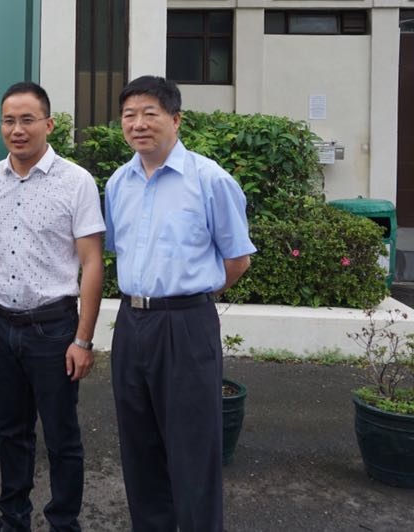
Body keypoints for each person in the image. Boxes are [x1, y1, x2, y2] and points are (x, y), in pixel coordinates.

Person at [104, 75, 256, 532]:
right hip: (131, 322)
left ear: (176, 119)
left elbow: (238, 260)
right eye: (129, 115)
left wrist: (192, 298)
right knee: (138, 446)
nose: (138, 124)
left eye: (150, 113)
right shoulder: (119, 183)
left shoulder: (210, 180)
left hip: (186, 324)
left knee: (193, 449)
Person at [0, 82, 105, 532]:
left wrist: (83, 339)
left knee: (61, 435)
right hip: (0, 324)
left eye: (27, 120)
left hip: (53, 328)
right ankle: (13, 517)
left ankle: (63, 521)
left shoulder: (76, 181)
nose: (17, 129)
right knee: (11, 431)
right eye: (9, 120)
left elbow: (92, 263)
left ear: (48, 124)